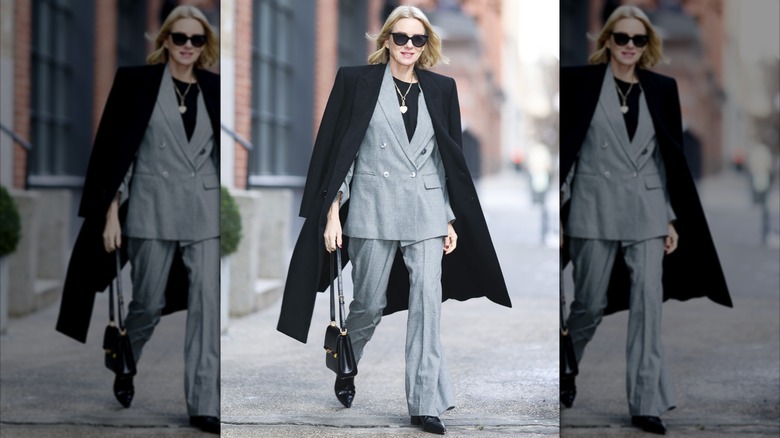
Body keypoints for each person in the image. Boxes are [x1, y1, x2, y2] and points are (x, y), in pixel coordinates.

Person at [276, 5, 511, 435]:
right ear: (386, 40)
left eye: (417, 40)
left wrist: (450, 219)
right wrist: (332, 214)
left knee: (426, 308)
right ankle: (347, 361)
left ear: (426, 46)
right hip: (371, 209)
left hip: (425, 212)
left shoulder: (441, 89)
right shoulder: (356, 82)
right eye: (400, 38)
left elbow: (446, 158)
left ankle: (424, 404)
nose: (408, 46)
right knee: (369, 303)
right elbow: (340, 153)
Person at [559, 5, 732, 435]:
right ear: (608, 41)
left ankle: (645, 403)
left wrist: (671, 218)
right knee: (589, 305)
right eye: (622, 38)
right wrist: (559, 213)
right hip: (591, 208)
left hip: (649, 212)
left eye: (638, 39)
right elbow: (570, 153)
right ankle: (567, 362)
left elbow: (664, 158)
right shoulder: (581, 84)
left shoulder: (661, 89)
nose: (629, 47)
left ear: (647, 44)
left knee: (648, 310)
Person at [56, 6, 220, 434]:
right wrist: (111, 213)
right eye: (179, 38)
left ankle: (205, 403)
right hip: (150, 207)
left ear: (205, 46)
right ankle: (125, 357)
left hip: (204, 211)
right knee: (147, 302)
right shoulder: (136, 83)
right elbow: (115, 152)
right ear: (164, 40)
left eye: (196, 40)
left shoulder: (214, 88)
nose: (187, 46)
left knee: (206, 306)